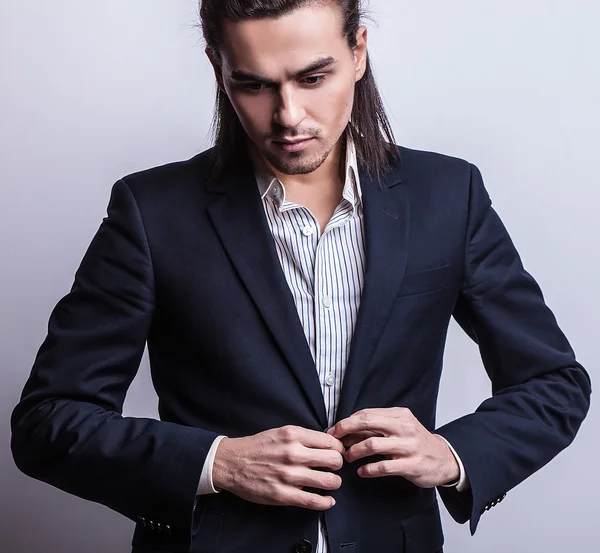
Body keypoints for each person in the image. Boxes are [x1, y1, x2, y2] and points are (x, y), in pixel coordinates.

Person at [10, 1, 591, 552]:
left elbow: (553, 382)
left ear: (358, 51)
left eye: (313, 78)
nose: (288, 116)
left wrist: (452, 454)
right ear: (218, 67)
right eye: (254, 84)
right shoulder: (151, 211)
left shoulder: (449, 196)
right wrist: (219, 463)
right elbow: (48, 421)